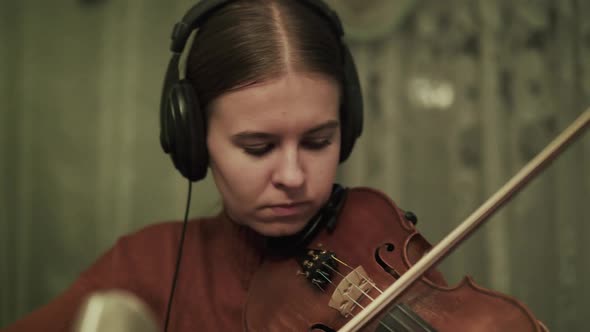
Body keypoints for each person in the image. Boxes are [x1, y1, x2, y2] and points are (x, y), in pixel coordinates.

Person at [3, 1, 546, 331]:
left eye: (318, 140)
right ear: (194, 141)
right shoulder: (145, 265)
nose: (292, 175)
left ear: (347, 127)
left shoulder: (374, 242)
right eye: (258, 147)